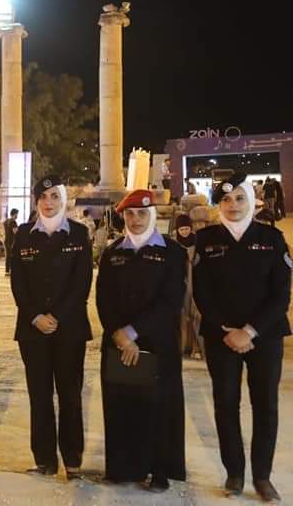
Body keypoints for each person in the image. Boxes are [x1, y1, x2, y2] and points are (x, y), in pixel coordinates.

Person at [193, 173, 290, 502]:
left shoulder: (272, 238)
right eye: (225, 200)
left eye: (239, 198)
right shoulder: (206, 240)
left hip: (265, 335)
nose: (232, 205)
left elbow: (281, 294)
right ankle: (234, 473)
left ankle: (262, 476)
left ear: (251, 201)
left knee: (265, 406)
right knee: (225, 404)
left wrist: (248, 331)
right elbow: (202, 293)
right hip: (221, 337)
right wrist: (227, 329)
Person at [96, 189, 186, 492]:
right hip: (119, 343)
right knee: (122, 405)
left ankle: (159, 470)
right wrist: (118, 334)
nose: (135, 220)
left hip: (157, 343)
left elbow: (171, 300)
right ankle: (124, 468)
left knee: (159, 407)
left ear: (153, 215)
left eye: (142, 214)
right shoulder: (112, 253)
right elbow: (103, 298)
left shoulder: (172, 252)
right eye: (130, 214)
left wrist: (133, 332)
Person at [10, 176, 93, 479]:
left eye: (54, 196)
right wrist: (35, 316)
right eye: (43, 197)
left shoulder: (78, 233)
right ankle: (44, 460)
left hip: (68, 328)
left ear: (63, 200)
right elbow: (18, 280)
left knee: (70, 395)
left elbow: (81, 282)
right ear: (36, 202)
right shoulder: (23, 234)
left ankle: (72, 460)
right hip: (32, 330)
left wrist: (56, 316)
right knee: (39, 395)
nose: (49, 202)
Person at [171, 214, 203, 359]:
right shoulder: (174, 244)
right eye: (181, 229)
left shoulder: (197, 242)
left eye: (186, 228)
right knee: (183, 316)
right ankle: (183, 347)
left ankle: (197, 347)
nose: (184, 232)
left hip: (196, 283)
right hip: (181, 284)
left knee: (196, 315)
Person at [3, 208, 19, 276]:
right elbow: (15, 232)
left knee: (8, 256)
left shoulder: (6, 221)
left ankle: (7, 271)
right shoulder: (13, 222)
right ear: (14, 214)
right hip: (12, 241)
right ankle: (11, 270)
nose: (17, 216)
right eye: (17, 214)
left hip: (6, 240)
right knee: (12, 256)